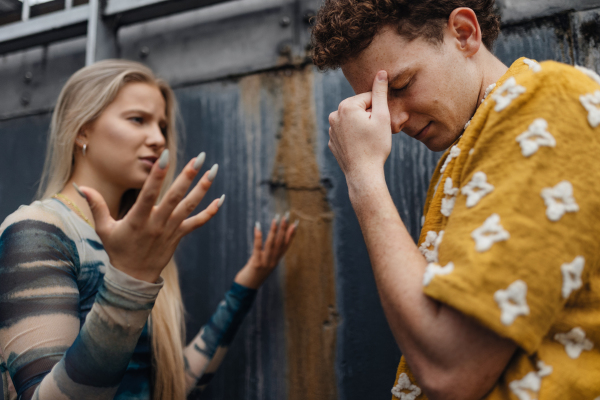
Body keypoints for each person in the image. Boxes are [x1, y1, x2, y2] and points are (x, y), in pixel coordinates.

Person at [312, 0, 599, 398]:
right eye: (378, 102)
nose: (392, 122)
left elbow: (452, 371)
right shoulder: (478, 140)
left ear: (464, 33)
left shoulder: (547, 102)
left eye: (401, 86)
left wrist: (363, 178)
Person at [0, 60, 298, 400]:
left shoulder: (138, 248)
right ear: (82, 129)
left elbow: (169, 384)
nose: (158, 139)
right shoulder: (38, 232)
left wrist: (246, 284)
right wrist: (130, 281)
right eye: (137, 119)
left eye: (162, 126)